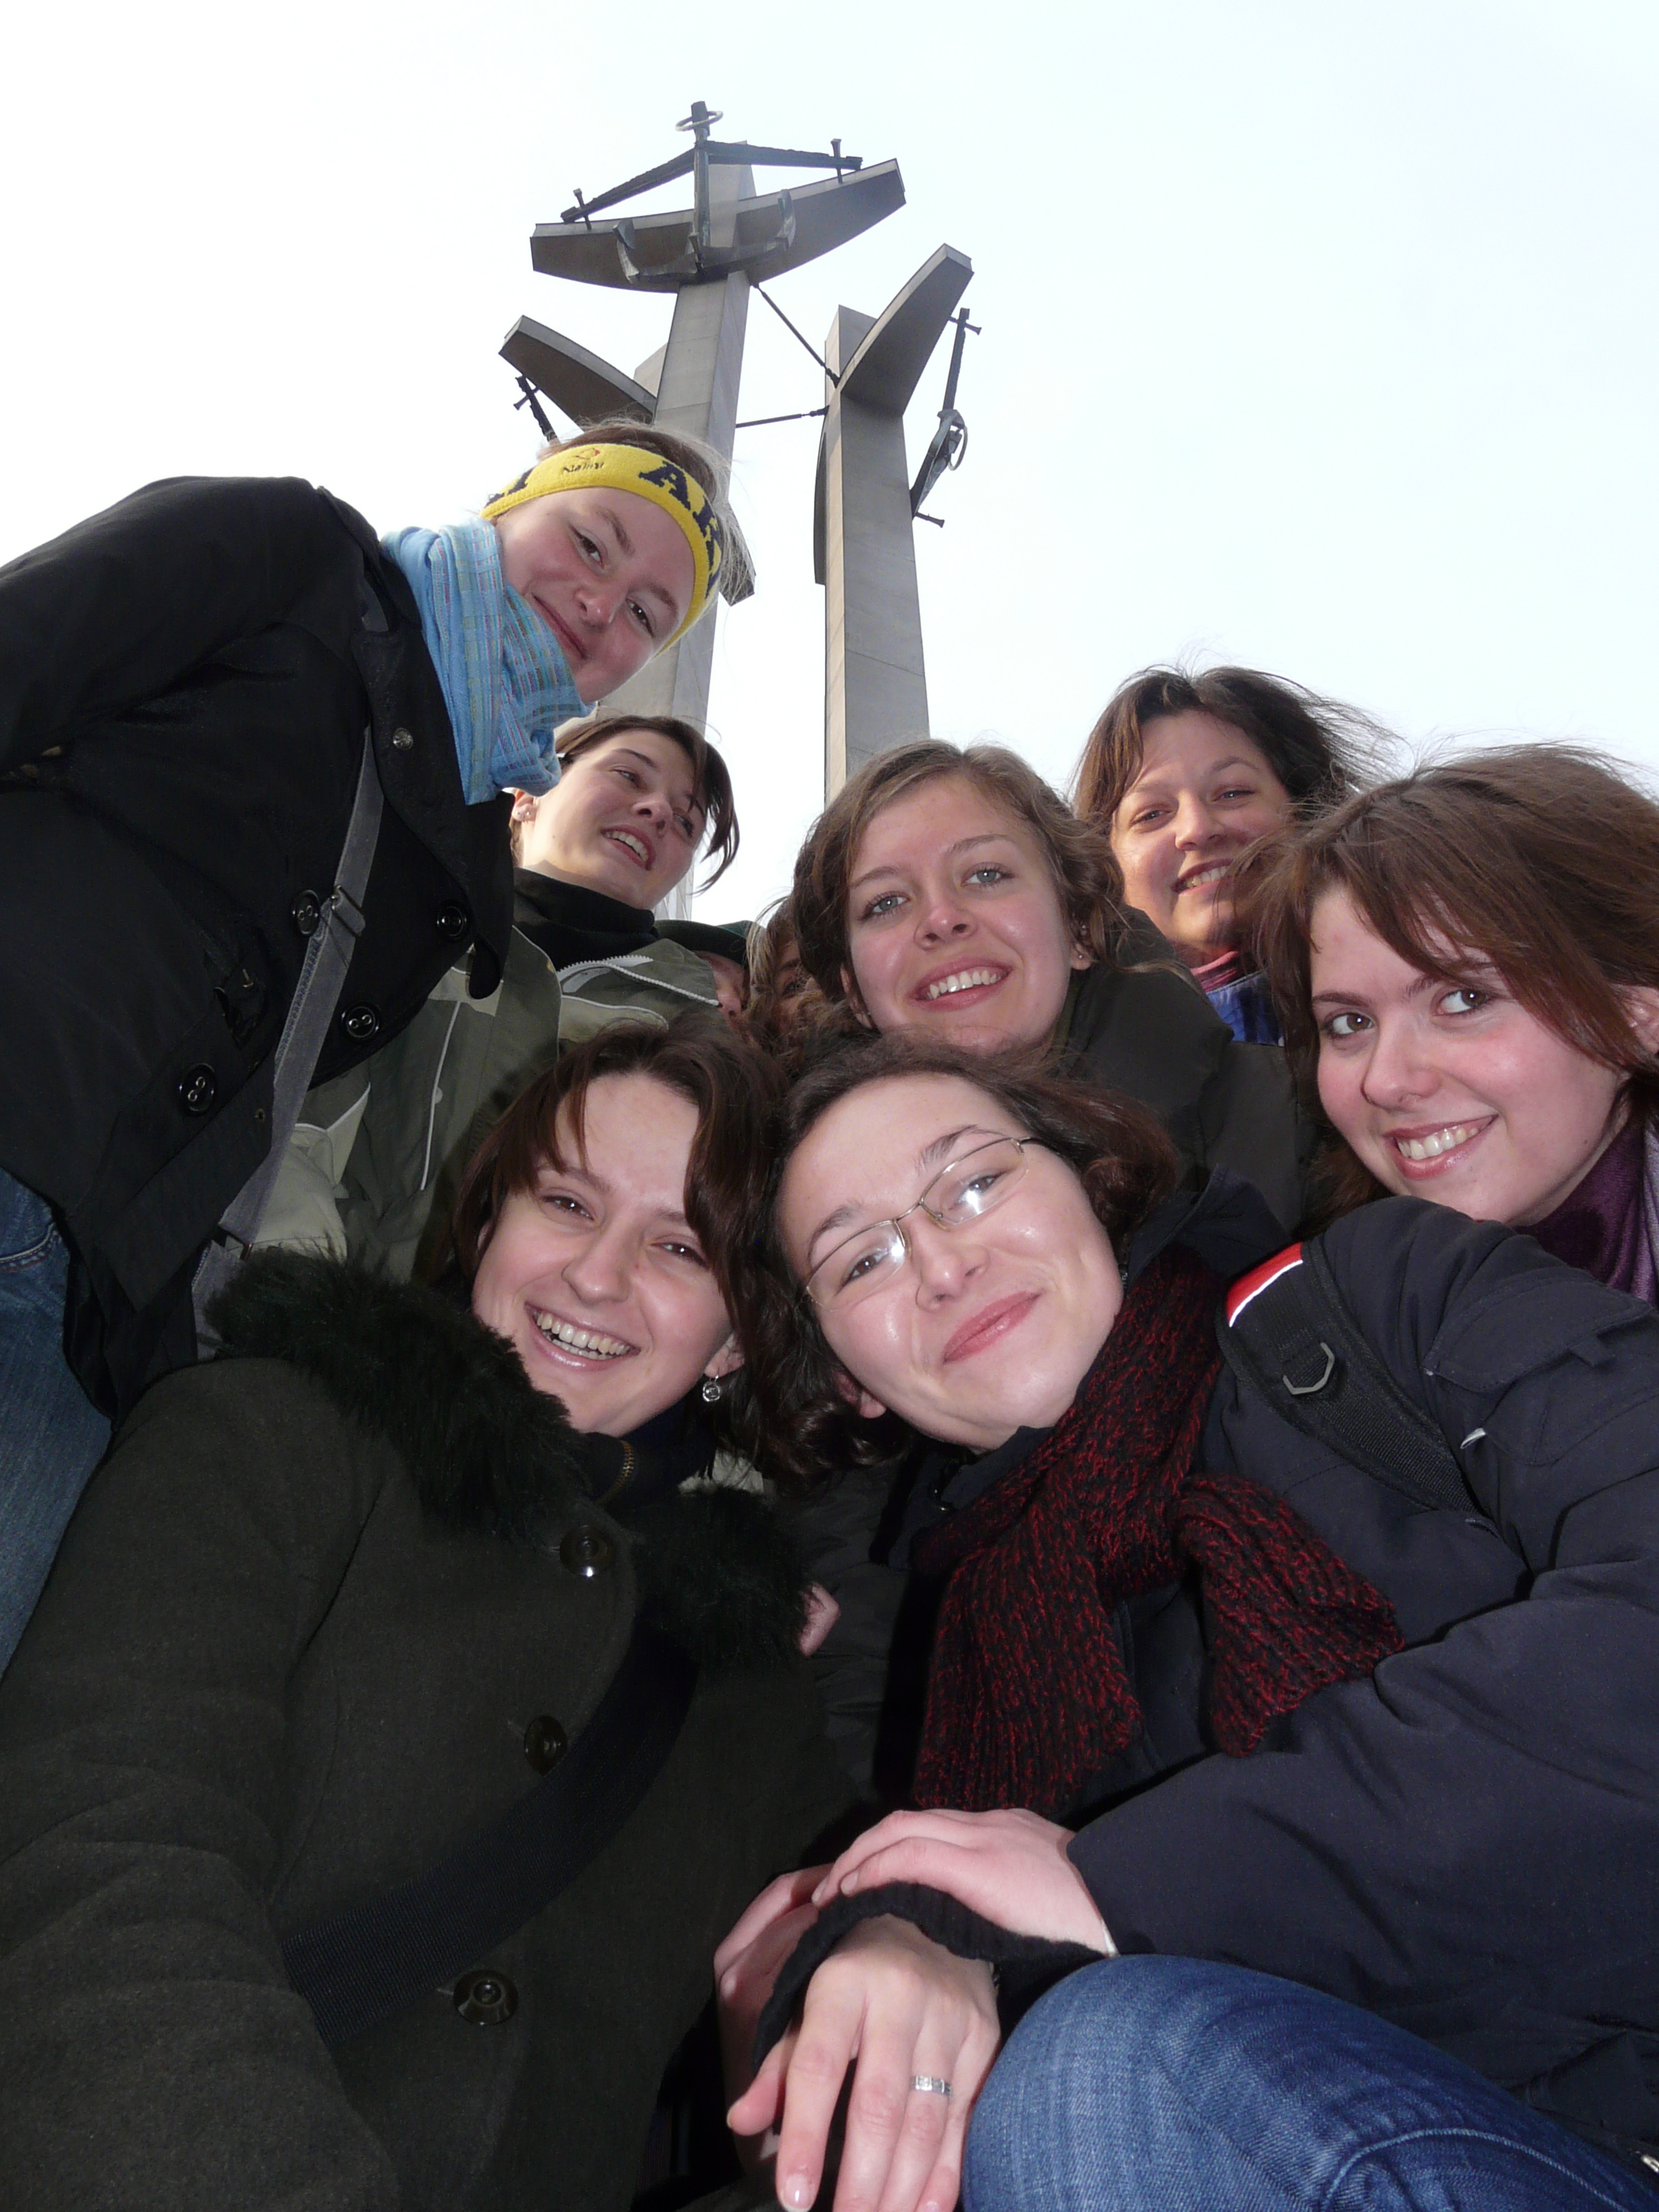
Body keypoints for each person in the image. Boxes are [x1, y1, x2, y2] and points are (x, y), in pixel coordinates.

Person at [726, 1033, 1659, 2211]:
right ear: (849, 1378)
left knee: (1096, 2067)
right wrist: (900, 1954)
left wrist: (1118, 1882)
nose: (945, 1266)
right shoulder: (962, 1669)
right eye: (863, 1257)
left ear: (1095, 1181)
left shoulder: (1379, 1300)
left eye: (974, 1182)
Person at [0, 1019, 859, 2212]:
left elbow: (842, 2013)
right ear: (487, 1220)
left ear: (736, 1338)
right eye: (566, 1202)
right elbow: (92, 1870)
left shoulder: (744, 1679)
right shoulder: (262, 1436)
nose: (595, 1274)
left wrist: (912, 1940)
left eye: (678, 1245)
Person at [0, 417, 731, 1670]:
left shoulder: (461, 881)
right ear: (512, 505)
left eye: (645, 616)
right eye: (591, 541)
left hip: (94, 1294)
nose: (599, 604)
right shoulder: (291, 558)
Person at [262, 712, 742, 1277]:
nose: (659, 811)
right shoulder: (399, 923)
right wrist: (315, 1304)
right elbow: (290, 1126)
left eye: (686, 822)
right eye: (629, 776)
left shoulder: (697, 1034)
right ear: (529, 795)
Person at [787, 737, 1309, 1229]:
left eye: (986, 874)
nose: (942, 918)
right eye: (886, 903)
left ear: (1078, 929)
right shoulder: (806, 1216)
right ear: (853, 992)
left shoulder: (1298, 1121)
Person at [1247, 743, 1659, 1291]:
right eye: (1350, 1023)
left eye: (1464, 1000)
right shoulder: (1329, 1303)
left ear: (1638, 1015)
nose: (1385, 1082)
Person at [1073, 664, 1384, 1041]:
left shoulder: (1418, 976)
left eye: (1233, 793)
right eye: (1152, 814)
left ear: (1308, 809)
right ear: (1103, 866)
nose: (1197, 829)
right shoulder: (1082, 1059)